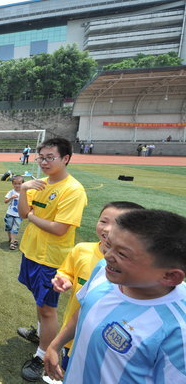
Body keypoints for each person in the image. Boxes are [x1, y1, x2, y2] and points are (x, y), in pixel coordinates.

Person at [44, 209, 186, 383]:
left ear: (170, 276)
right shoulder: (104, 269)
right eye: (109, 245)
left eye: (122, 254)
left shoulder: (178, 331)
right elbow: (86, 308)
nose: (107, 255)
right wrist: (55, 345)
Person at [15, 137, 88, 382]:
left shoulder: (73, 190)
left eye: (50, 157)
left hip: (51, 260)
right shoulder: (39, 183)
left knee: (48, 309)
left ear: (66, 158)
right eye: (41, 157)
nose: (44, 162)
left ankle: (43, 354)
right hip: (32, 252)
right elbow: (23, 212)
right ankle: (39, 334)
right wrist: (24, 190)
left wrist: (33, 218)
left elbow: (59, 229)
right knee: (40, 301)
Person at [50, 201, 144, 371]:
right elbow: (66, 271)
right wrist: (63, 278)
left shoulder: (137, 271)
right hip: (72, 334)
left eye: (118, 224)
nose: (108, 229)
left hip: (108, 346)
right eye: (103, 221)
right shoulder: (82, 250)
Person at [4, 175, 24, 250]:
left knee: (15, 228)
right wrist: (11, 197)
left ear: (22, 184)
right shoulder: (11, 192)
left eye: (19, 183)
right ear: (12, 184)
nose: (17, 185)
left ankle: (12, 242)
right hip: (10, 213)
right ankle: (10, 239)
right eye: (15, 183)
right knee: (9, 226)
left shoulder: (24, 193)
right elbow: (5, 201)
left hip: (19, 215)